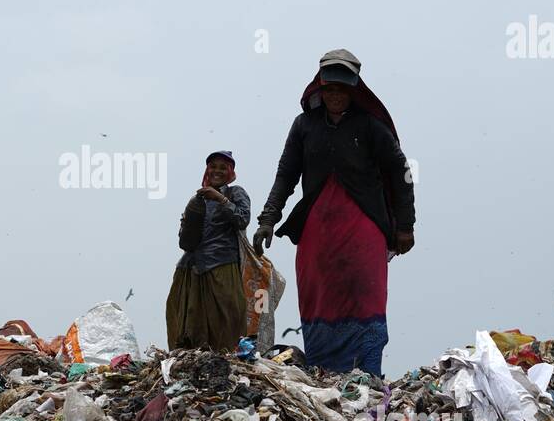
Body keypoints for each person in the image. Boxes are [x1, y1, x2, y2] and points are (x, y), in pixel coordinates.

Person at [253, 50, 415, 375]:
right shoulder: (304, 126)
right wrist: (268, 219)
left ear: (354, 91)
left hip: (363, 230)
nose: (336, 96)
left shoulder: (370, 127)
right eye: (330, 90)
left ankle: (367, 377)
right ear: (320, 88)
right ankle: (323, 376)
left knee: (365, 300)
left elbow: (400, 173)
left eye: (342, 90)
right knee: (319, 300)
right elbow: (286, 174)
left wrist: (405, 226)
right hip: (317, 234)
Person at [166, 151, 251, 351]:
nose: (217, 171)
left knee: (226, 320)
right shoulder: (198, 199)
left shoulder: (235, 193)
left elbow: (242, 220)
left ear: (230, 172)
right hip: (190, 269)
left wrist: (221, 199)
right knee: (186, 324)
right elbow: (185, 243)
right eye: (213, 166)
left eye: (223, 167)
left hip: (222, 267)